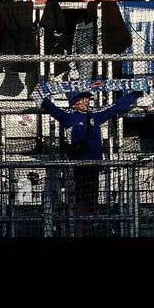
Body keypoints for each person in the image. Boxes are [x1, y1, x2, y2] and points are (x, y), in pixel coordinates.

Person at [41, 85, 140, 221]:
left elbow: (115, 107)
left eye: (87, 98)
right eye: (83, 98)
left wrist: (135, 93)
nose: (87, 101)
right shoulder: (70, 118)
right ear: (75, 103)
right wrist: (38, 95)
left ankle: (88, 225)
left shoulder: (95, 116)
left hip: (94, 166)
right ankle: (82, 226)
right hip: (81, 166)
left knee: (92, 201)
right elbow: (53, 109)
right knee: (82, 201)